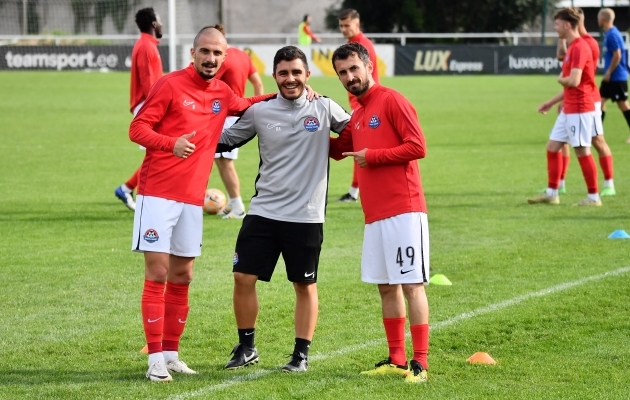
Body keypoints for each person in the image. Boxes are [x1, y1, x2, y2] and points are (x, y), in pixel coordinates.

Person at [128, 26, 275, 382]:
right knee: (158, 273)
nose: (211, 59)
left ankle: (171, 353)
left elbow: (245, 104)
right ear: (193, 53)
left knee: (183, 275)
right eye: (205, 51)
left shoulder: (223, 92)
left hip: (192, 200)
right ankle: (154, 361)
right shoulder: (169, 84)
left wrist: (288, 91)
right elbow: (137, 129)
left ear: (225, 57)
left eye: (217, 54)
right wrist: (170, 143)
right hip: (157, 194)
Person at [217, 46, 351, 373]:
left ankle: (300, 355)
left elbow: (359, 131)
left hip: (305, 215)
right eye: (283, 73)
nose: (290, 79)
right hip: (263, 211)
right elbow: (224, 140)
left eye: (296, 72)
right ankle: (246, 347)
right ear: (274, 76)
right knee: (243, 276)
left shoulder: (325, 108)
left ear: (307, 75)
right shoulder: (260, 111)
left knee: (304, 285)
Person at [329, 42, 430, 384]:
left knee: (411, 285)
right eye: (342, 72)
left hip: (404, 209)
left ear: (369, 65)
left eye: (354, 68)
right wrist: (303, 121)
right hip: (374, 216)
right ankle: (397, 358)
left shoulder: (392, 100)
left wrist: (373, 156)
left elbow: (417, 146)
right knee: (386, 288)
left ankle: (420, 363)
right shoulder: (356, 114)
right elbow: (336, 149)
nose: (349, 77)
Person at [529, 7, 601, 207]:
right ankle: (552, 194)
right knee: (552, 147)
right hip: (569, 107)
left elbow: (575, 81)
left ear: (567, 25)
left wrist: (561, 79)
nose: (555, 27)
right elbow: (571, 82)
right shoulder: (572, 47)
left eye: (558, 24)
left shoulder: (579, 47)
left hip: (579, 108)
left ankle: (594, 197)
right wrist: (551, 102)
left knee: (582, 151)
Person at [554, 7, 615, 196]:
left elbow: (581, 78)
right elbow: (561, 57)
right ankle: (559, 184)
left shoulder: (587, 44)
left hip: (588, 100)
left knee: (596, 141)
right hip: (576, 99)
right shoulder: (573, 43)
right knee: (562, 140)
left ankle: (607, 184)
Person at [212, 24, 265, 219]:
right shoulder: (243, 55)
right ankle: (231, 203)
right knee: (221, 161)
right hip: (238, 114)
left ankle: (238, 207)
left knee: (225, 162)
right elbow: (258, 83)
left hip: (226, 117)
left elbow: (206, 83)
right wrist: (259, 110)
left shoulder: (222, 60)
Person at [114, 7, 163, 211]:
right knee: (159, 153)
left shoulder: (146, 44)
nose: (161, 24)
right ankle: (140, 196)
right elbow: (148, 83)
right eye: (159, 20)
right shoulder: (145, 46)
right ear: (153, 23)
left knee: (159, 153)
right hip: (149, 105)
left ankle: (128, 189)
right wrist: (160, 106)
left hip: (148, 104)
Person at [336, 9, 380, 203]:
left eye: (347, 25)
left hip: (365, 103)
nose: (344, 29)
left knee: (359, 147)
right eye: (341, 26)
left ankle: (355, 192)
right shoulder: (353, 45)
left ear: (357, 23)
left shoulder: (361, 46)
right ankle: (356, 191)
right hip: (360, 103)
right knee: (359, 146)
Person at [598, 8, 630, 145]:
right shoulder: (609, 34)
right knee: (599, 102)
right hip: (610, 77)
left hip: (616, 77)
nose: (598, 20)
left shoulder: (612, 35)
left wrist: (609, 72)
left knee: (622, 104)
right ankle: (595, 133)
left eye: (599, 18)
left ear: (603, 19)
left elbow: (618, 55)